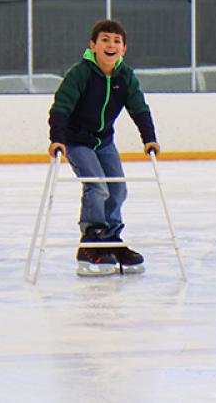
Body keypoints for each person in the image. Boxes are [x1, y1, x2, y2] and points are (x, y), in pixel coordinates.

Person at [48, 19, 160, 277]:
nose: (111, 46)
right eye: (105, 40)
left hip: (104, 141)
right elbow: (61, 107)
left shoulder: (125, 76)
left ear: (124, 49)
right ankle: (91, 241)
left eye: (116, 41)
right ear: (93, 45)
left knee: (118, 188)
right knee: (97, 184)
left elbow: (139, 108)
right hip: (77, 141)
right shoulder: (81, 73)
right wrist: (58, 138)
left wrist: (149, 138)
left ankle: (111, 239)